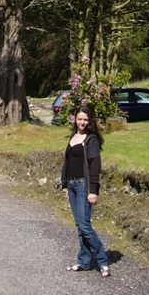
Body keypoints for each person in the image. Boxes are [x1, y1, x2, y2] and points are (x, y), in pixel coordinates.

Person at [61, 104, 110, 278]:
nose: (82, 122)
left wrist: (93, 190)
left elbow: (94, 166)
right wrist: (65, 185)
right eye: (79, 119)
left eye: (85, 120)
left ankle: (103, 260)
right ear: (75, 119)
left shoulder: (91, 140)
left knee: (85, 226)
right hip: (72, 185)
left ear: (90, 121)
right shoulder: (73, 136)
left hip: (84, 186)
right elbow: (67, 162)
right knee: (79, 226)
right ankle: (84, 261)